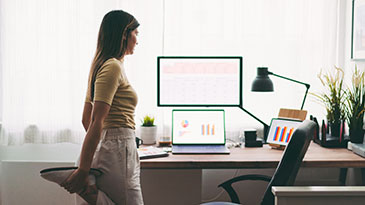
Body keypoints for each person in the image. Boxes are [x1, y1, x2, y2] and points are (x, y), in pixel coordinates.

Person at [61, 10, 143, 205]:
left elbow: (86, 119)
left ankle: (86, 187)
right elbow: (96, 120)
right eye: (136, 34)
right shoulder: (112, 66)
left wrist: (100, 147)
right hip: (117, 148)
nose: (137, 40)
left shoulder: (101, 65)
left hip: (111, 147)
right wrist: (83, 169)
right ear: (124, 34)